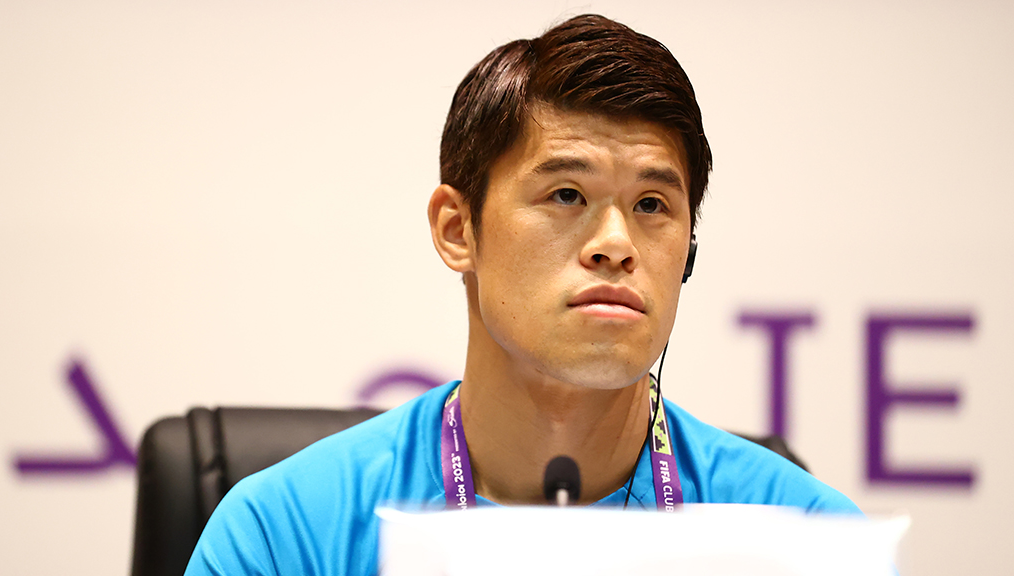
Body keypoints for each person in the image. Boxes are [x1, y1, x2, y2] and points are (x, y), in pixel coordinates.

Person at [184, 14, 860, 576]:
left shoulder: (807, 542)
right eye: (567, 194)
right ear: (457, 230)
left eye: (653, 203)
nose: (616, 244)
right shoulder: (285, 536)